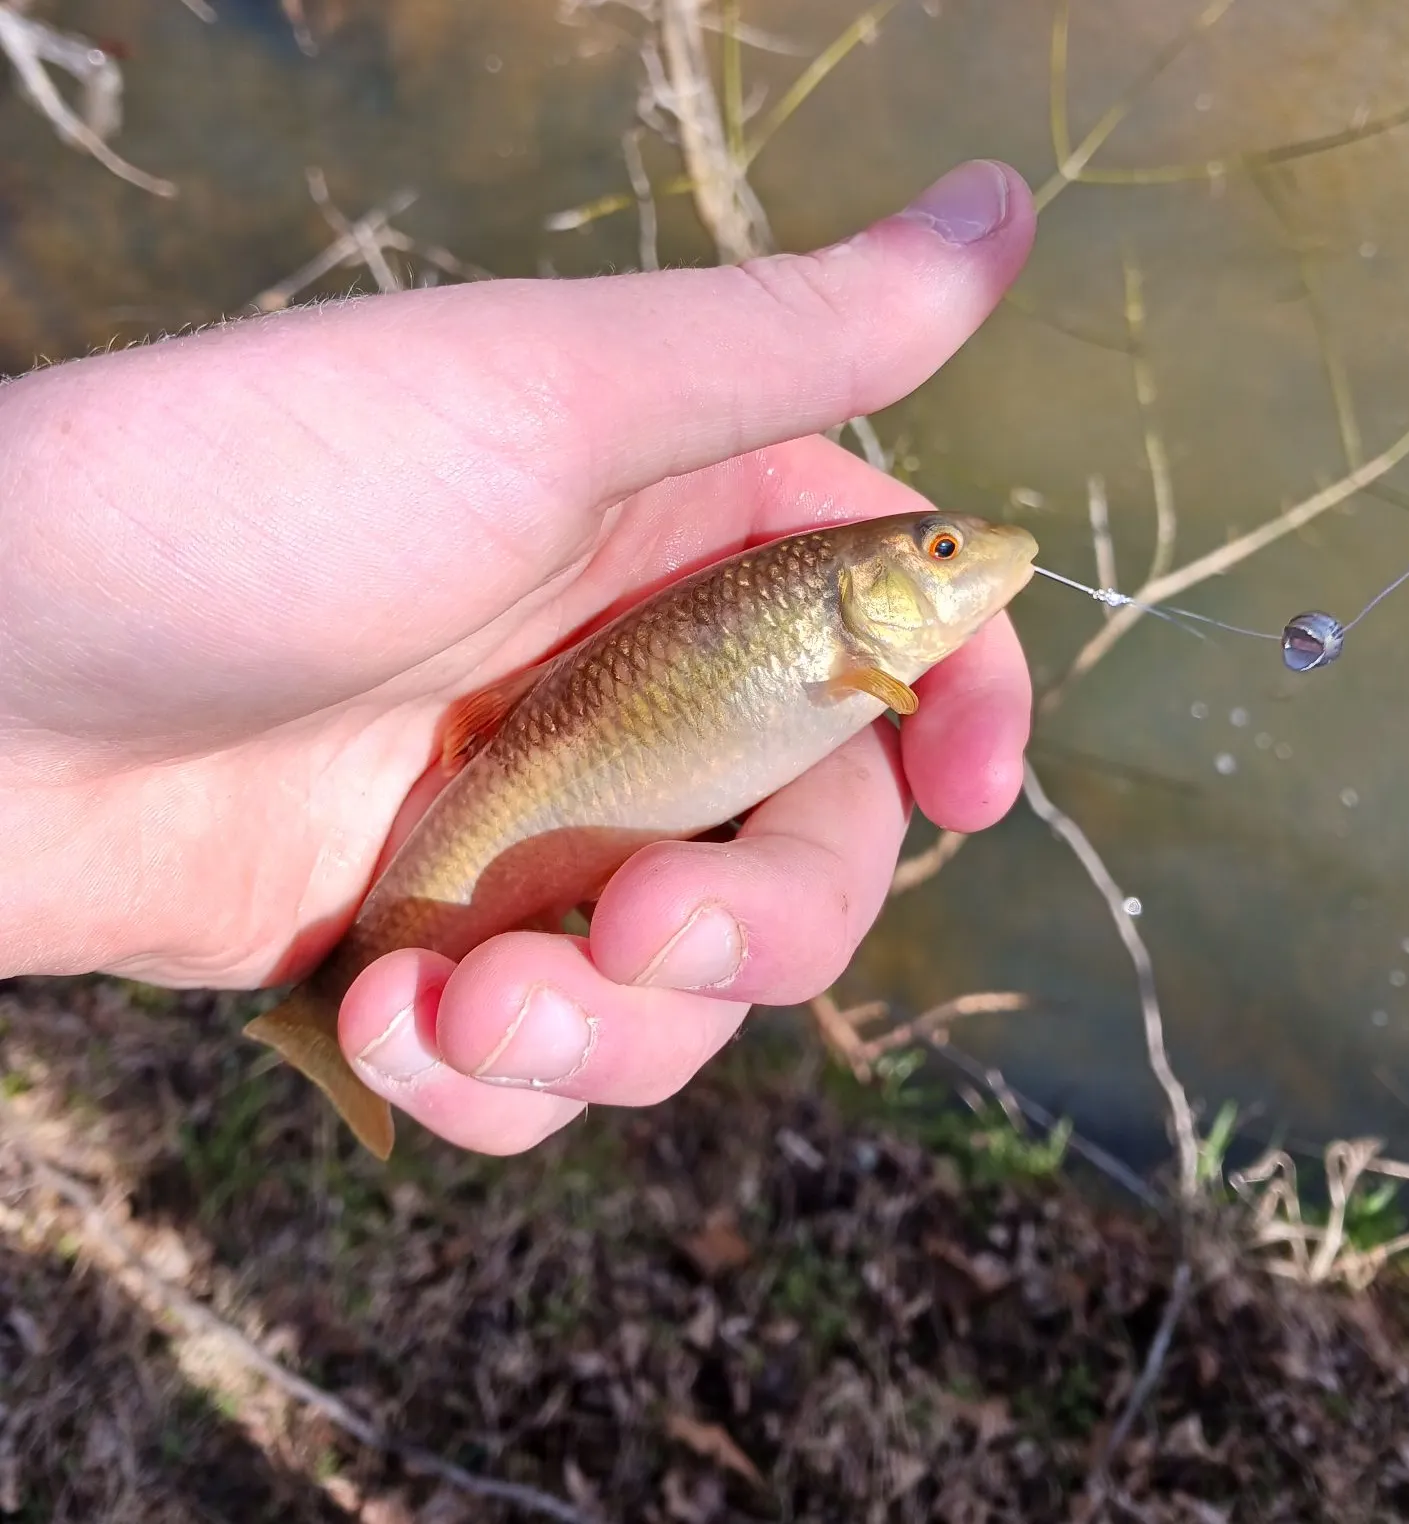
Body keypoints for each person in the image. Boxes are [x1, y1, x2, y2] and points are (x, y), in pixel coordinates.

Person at [0, 160, 1037, 1156]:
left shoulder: (852, 654)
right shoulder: (847, 649)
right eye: (940, 551)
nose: (967, 559)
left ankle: (347, 1001)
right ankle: (335, 1008)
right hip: (506, 781)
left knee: (662, 929)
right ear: (870, 587)